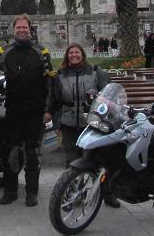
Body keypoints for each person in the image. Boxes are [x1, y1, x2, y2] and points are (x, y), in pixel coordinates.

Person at [0, 14, 54, 207]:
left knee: (31, 153)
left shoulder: (41, 52)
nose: (22, 30)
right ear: (13, 30)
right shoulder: (4, 51)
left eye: (25, 28)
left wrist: (49, 109)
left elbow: (50, 81)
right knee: (10, 151)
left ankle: (32, 192)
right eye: (19, 28)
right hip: (13, 109)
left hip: (35, 110)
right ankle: (10, 191)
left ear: (30, 30)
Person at [51, 43, 120, 208]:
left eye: (77, 52)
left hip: (92, 123)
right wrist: (55, 121)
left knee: (100, 159)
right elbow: (54, 100)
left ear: (82, 54)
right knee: (72, 161)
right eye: (71, 53)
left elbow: (109, 93)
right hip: (69, 122)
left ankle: (107, 193)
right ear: (67, 56)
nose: (74, 55)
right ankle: (74, 195)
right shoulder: (60, 74)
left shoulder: (96, 71)